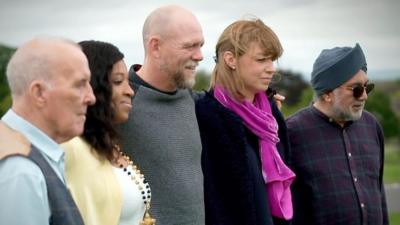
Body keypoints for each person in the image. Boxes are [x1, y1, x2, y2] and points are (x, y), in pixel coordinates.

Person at [195, 18, 295, 225]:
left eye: (272, 60)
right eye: (261, 60)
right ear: (230, 59)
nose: (271, 68)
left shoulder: (271, 117)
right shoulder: (207, 117)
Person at [117, 5, 205, 224]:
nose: (200, 55)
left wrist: (266, 103)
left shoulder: (192, 100)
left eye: (200, 45)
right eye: (189, 46)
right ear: (155, 46)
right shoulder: (120, 104)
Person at [286, 43, 389, 225]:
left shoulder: (371, 126)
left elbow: (379, 195)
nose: (364, 96)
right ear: (327, 93)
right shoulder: (292, 132)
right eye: (356, 89)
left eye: (367, 87)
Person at [0, 37, 96, 225]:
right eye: (79, 84)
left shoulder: (22, 153)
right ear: (39, 93)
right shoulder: (22, 171)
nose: (91, 97)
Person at [62, 40, 156, 225]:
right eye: (118, 81)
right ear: (91, 85)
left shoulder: (109, 147)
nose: (130, 91)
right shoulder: (70, 148)